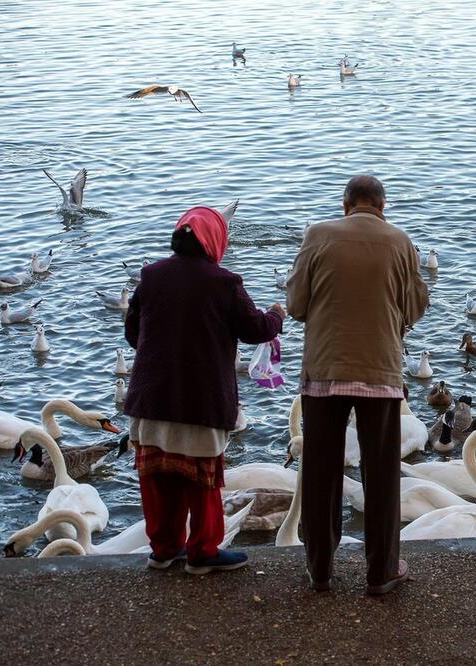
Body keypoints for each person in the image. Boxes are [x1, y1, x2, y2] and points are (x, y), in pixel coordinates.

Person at [124, 206, 284, 575]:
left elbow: (133, 334)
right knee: (203, 480)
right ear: (215, 241)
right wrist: (276, 315)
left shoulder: (151, 276)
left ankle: (163, 550)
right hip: (201, 399)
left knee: (158, 479)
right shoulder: (223, 282)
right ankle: (203, 552)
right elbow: (256, 329)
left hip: (152, 397)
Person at [287, 175, 428, 594]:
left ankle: (320, 569)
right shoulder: (400, 242)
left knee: (320, 472)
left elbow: (295, 305)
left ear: (345, 205)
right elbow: (415, 307)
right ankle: (381, 571)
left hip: (324, 373)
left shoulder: (317, 235)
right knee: (381, 474)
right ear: (383, 207)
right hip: (380, 373)